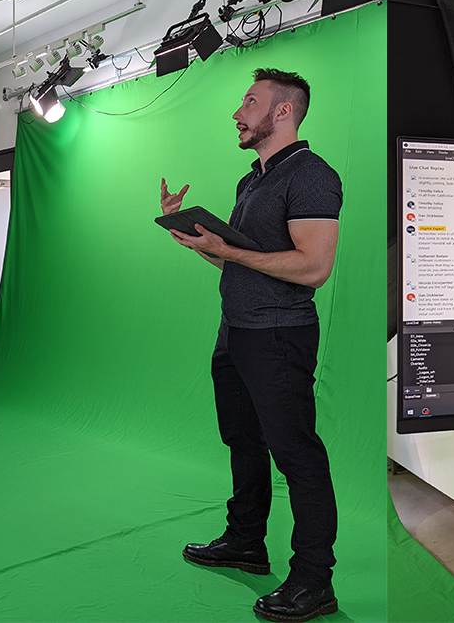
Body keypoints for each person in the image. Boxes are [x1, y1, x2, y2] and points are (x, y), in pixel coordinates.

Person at [163, 68, 342, 623]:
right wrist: (195, 240)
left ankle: (314, 581)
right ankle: (246, 542)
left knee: (297, 455)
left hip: (279, 336)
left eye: (250, 102)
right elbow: (232, 258)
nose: (238, 113)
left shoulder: (312, 175)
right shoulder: (252, 181)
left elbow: (314, 268)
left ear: (282, 112)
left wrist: (232, 253)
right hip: (236, 331)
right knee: (243, 439)